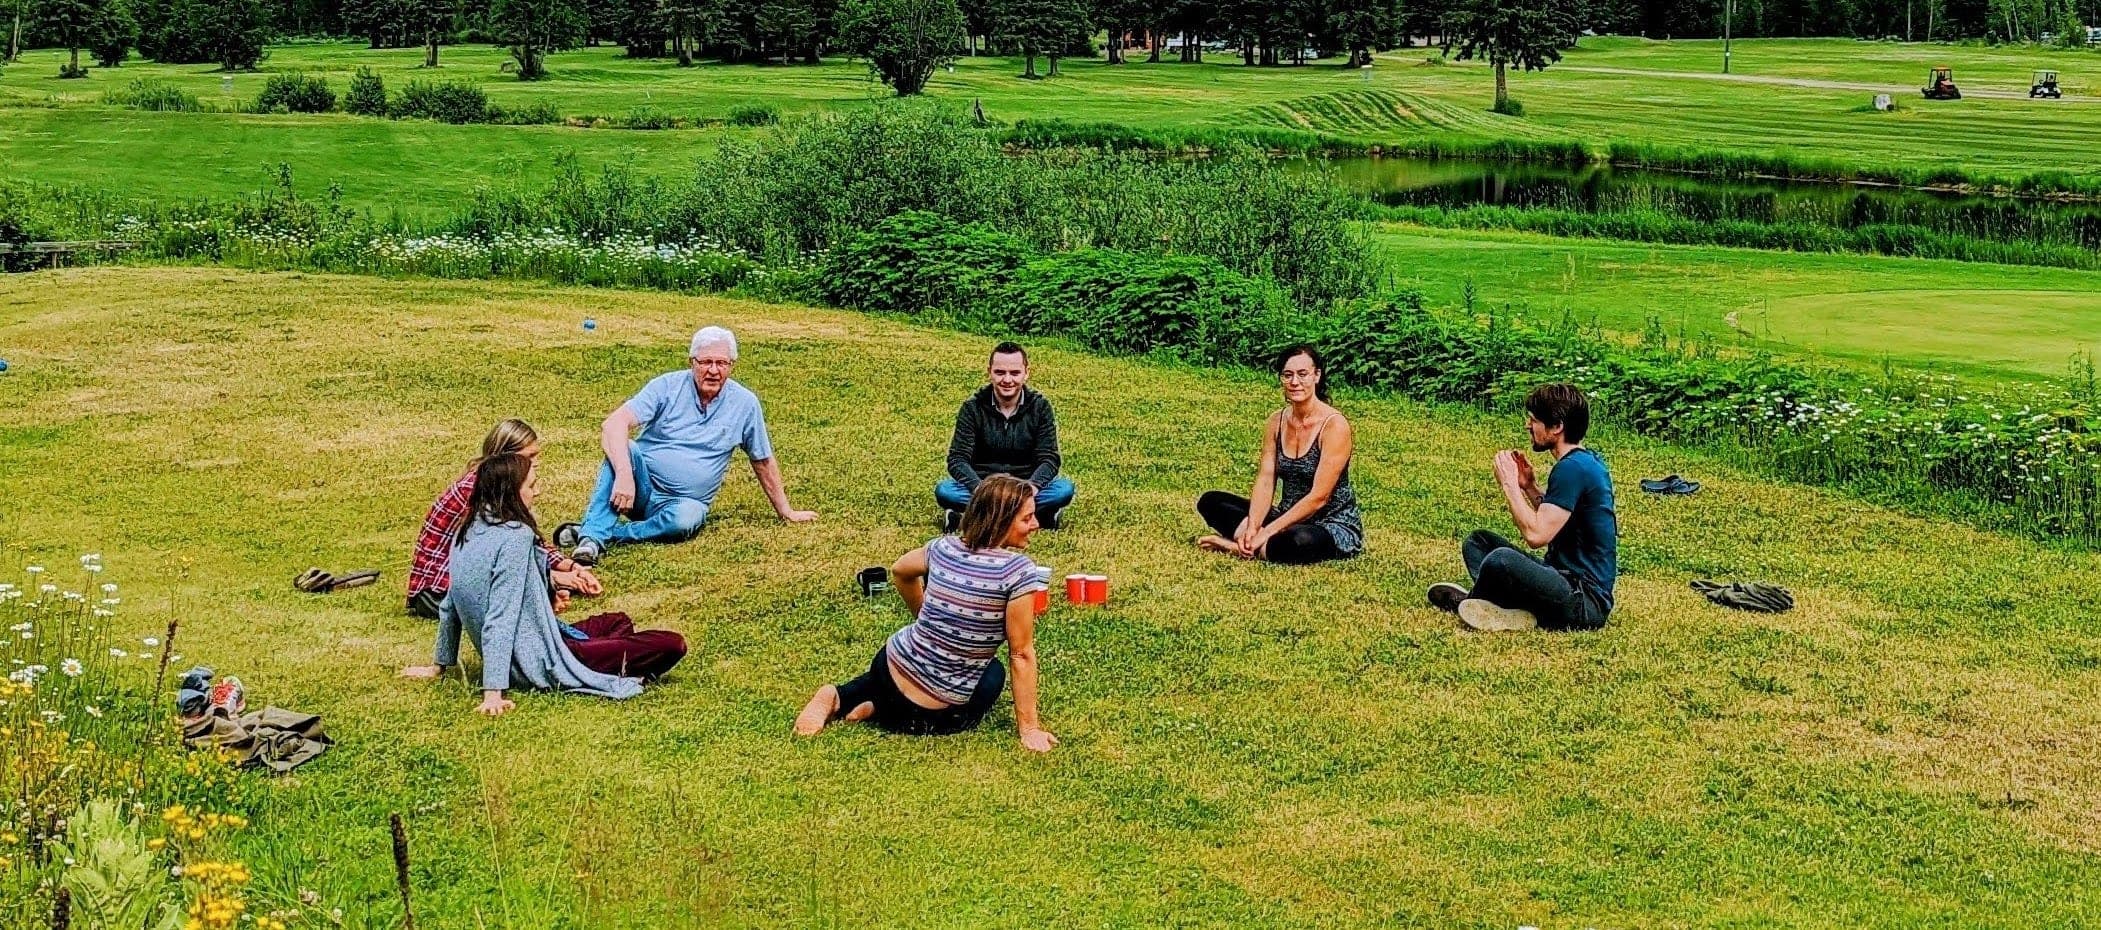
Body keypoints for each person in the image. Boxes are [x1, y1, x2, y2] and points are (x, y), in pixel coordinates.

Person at [400, 454, 686, 715]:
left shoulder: (470, 528)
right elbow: (500, 616)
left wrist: (439, 666)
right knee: (672, 644)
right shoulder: (515, 537)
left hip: (541, 639)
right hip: (536, 662)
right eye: (531, 485)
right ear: (511, 492)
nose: (537, 491)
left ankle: (601, 652)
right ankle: (599, 663)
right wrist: (493, 693)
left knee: (618, 620)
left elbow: (452, 604)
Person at [794, 475, 1057, 753]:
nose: (1036, 525)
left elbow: (900, 571)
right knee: (993, 674)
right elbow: (1021, 654)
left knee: (899, 673)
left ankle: (841, 696)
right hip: (929, 712)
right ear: (1001, 520)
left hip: (888, 664)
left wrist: (922, 616)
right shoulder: (1017, 572)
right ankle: (886, 712)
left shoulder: (942, 547)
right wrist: (1029, 729)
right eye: (1027, 519)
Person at [562, 326, 816, 566]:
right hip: (639, 487)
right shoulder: (666, 386)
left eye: (721, 363)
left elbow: (762, 460)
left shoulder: (745, 404)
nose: (714, 370)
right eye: (705, 362)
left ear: (732, 366)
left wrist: (786, 511)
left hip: (684, 502)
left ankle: (610, 533)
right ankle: (591, 540)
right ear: (691, 362)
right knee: (623, 447)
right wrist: (626, 476)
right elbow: (613, 424)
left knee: (686, 519)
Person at [1427, 383, 1617, 633]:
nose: (1528, 425)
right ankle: (1503, 606)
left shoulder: (1573, 468)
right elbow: (1560, 518)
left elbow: (1536, 535)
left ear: (1557, 427)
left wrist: (1509, 485)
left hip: (1584, 602)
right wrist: (1529, 487)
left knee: (1501, 560)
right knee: (1478, 542)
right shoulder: (1583, 462)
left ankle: (1476, 601)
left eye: (1534, 420)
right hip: (1562, 577)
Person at [407, 419, 602, 619]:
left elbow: (530, 542)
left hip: (459, 586)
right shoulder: (480, 490)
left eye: (537, 455)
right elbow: (500, 555)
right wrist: (554, 578)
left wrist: (571, 566)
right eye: (529, 456)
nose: (536, 463)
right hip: (438, 592)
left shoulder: (498, 484)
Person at [1194, 345, 1363, 565]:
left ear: (1317, 375)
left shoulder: (1334, 426)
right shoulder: (1277, 421)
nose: (1295, 382)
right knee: (1211, 501)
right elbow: (1266, 478)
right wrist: (1254, 527)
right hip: (1287, 517)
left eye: (1302, 374)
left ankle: (1236, 547)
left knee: (1298, 542)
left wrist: (1266, 532)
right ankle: (1256, 544)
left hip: (1329, 524)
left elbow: (1319, 497)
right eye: (1288, 375)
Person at [936, 341, 1075, 531]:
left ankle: (976, 516)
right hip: (983, 484)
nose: (1007, 380)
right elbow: (957, 460)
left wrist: (1031, 488)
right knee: (946, 491)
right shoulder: (972, 408)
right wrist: (981, 490)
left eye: (1014, 373)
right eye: (1000, 372)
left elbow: (1049, 459)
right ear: (989, 372)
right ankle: (1035, 515)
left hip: (1024, 485)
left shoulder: (1040, 407)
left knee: (1063, 490)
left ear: (1026, 373)